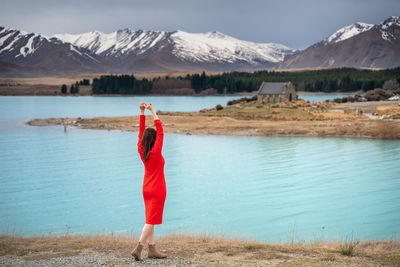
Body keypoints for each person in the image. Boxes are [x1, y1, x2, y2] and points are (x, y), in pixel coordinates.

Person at [131, 102, 167, 261]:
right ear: (153, 141)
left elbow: (141, 132)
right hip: (158, 189)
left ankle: (152, 249)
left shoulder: (142, 151)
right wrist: (152, 110)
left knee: (150, 219)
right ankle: (139, 248)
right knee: (151, 220)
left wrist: (141, 112)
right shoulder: (156, 153)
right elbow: (160, 130)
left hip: (146, 189)